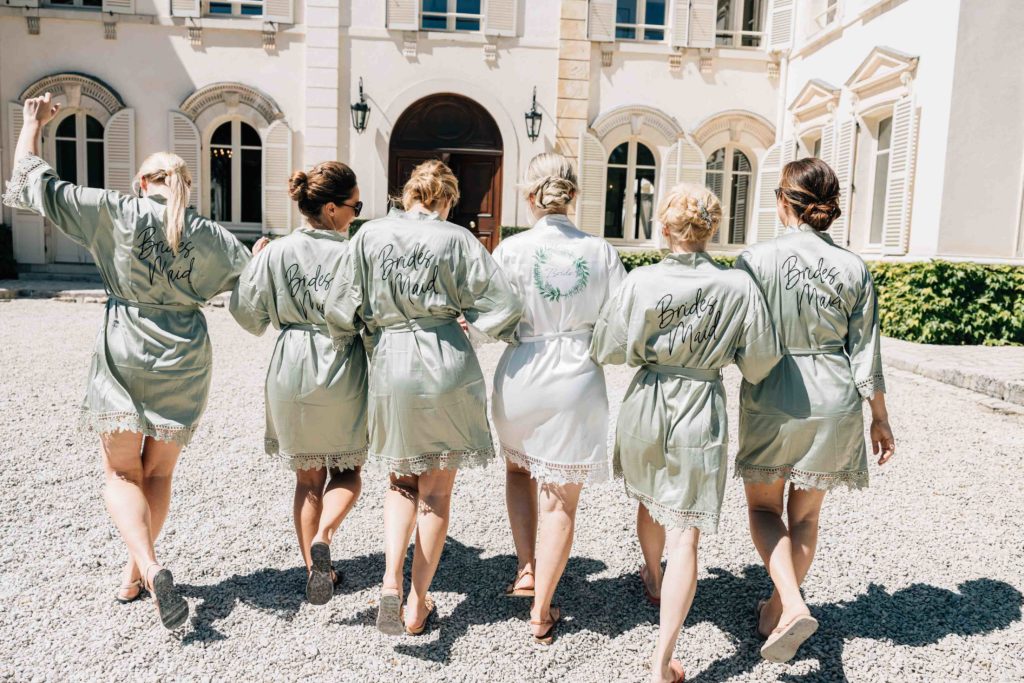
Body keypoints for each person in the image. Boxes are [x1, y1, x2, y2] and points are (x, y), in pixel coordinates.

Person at [2, 93, 251, 629]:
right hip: (185, 355)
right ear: (185, 185)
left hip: (125, 349)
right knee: (157, 471)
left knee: (120, 470)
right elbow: (255, 292)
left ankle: (150, 564)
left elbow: (33, 184)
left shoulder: (115, 211)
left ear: (143, 183)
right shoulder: (213, 236)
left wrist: (33, 125)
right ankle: (134, 573)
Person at [591, 183, 781, 682]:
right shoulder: (738, 286)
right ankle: (661, 659)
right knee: (686, 532)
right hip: (700, 404)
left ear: (665, 227)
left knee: (652, 499)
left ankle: (652, 577)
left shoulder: (640, 280)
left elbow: (608, 347)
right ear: (710, 229)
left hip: (648, 401)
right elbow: (761, 363)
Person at [324, 159, 522, 636]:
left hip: (392, 363)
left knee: (400, 484)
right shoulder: (457, 239)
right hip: (446, 361)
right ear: (447, 200)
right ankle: (416, 605)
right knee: (436, 493)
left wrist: (363, 338)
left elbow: (338, 307)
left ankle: (390, 580)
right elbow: (506, 305)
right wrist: (471, 326)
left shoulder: (369, 236)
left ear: (407, 195)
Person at [734, 157, 896, 663]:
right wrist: (880, 415)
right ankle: (777, 607)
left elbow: (738, 336)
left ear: (784, 200)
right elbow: (865, 349)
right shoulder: (854, 267)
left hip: (772, 394)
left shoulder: (753, 260)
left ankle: (792, 602)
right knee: (804, 516)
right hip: (835, 399)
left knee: (763, 508)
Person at [491, 153, 626, 644]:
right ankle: (542, 610)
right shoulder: (601, 251)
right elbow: (620, 322)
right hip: (575, 377)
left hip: (522, 371)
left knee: (519, 470)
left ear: (531, 196)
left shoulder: (509, 250)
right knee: (561, 501)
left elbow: (492, 317)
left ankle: (526, 567)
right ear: (574, 196)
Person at [230, 162, 368, 606]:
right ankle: (326, 533)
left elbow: (246, 315)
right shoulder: (354, 254)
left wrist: (256, 264)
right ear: (331, 209)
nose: (356, 215)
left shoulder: (275, 251)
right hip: (340, 361)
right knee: (347, 469)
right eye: (354, 206)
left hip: (290, 363)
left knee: (308, 478)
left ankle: (315, 568)